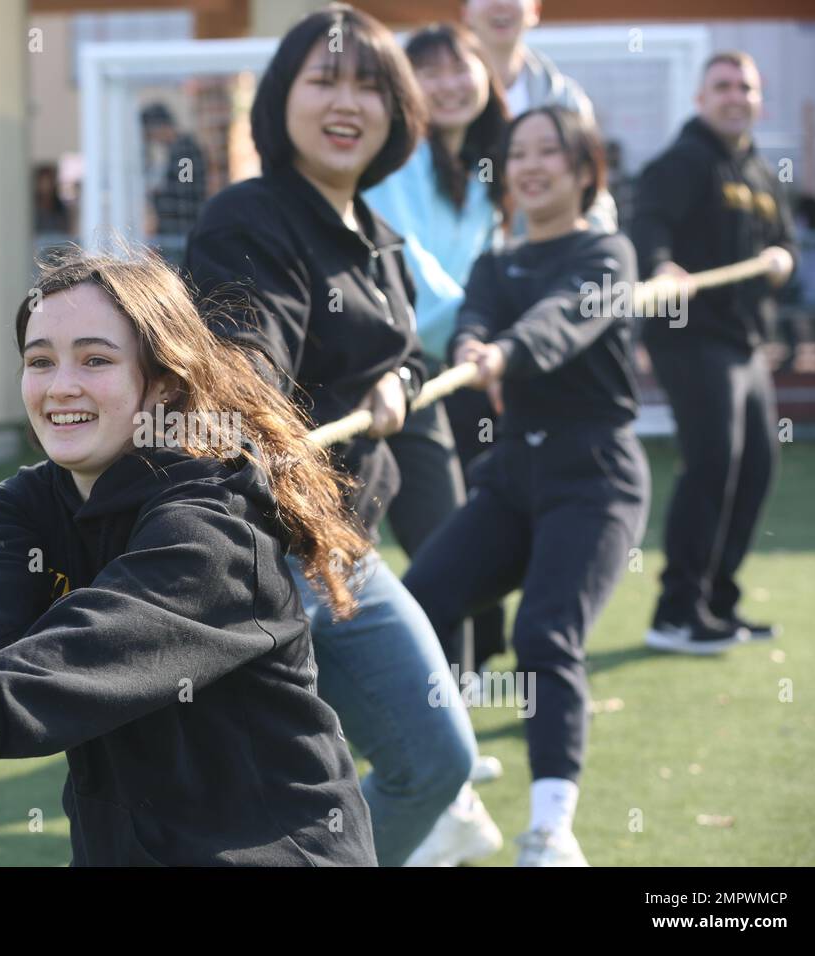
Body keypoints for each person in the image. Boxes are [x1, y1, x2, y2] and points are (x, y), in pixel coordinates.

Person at [0, 249, 379, 866]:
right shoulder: (32, 502)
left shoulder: (214, 522)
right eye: (40, 361)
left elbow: (111, 633)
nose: (61, 385)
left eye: (96, 359)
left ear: (165, 382)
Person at [184, 3, 481, 867]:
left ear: (398, 111)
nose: (347, 101)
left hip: (346, 550)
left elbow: (409, 352)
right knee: (251, 801)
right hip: (261, 558)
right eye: (325, 80)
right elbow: (244, 371)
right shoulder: (249, 219)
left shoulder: (383, 240)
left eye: (369, 85)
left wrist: (403, 379)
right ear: (280, 99)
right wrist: (262, 404)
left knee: (437, 761)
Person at [404, 105, 651, 866]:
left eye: (552, 152)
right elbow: (475, 312)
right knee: (419, 606)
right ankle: (451, 802)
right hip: (512, 473)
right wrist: (477, 340)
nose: (531, 165)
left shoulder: (608, 254)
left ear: (584, 171)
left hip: (595, 478)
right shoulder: (494, 260)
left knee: (546, 634)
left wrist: (505, 351)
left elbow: (563, 319)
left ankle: (550, 831)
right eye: (519, 154)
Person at [361, 21, 511, 866]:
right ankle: (415, 756)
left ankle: (441, 742)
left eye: (461, 69)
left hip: (458, 367)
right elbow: (413, 266)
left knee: (450, 550)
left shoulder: (490, 163)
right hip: (401, 366)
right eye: (430, 74)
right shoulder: (399, 159)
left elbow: (494, 262)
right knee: (374, 554)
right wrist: (480, 331)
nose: (450, 84)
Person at [631, 51, 795, 654]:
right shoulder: (680, 163)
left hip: (745, 342)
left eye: (744, 88)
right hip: (690, 335)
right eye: (722, 87)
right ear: (701, 99)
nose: (734, 96)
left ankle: (717, 604)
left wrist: (786, 259)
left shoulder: (758, 171)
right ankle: (676, 613)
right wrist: (658, 267)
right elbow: (646, 227)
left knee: (757, 467)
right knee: (713, 462)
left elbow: (785, 244)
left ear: (759, 100)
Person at [461, 0, 617, 233]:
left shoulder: (565, 99)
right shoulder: (443, 102)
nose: (501, 4)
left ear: (535, 10)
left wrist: (600, 252)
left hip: (553, 259)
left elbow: (593, 192)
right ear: (466, 13)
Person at [777, 195, 815, 374]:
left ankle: (798, 353)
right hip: (810, 294)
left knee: (787, 301)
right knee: (783, 305)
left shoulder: (800, 235)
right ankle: (813, 355)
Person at [140, 103, 208, 245]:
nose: (153, 140)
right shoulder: (179, 149)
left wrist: (157, 197)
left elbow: (185, 190)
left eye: (150, 134)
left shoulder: (184, 151)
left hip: (182, 230)